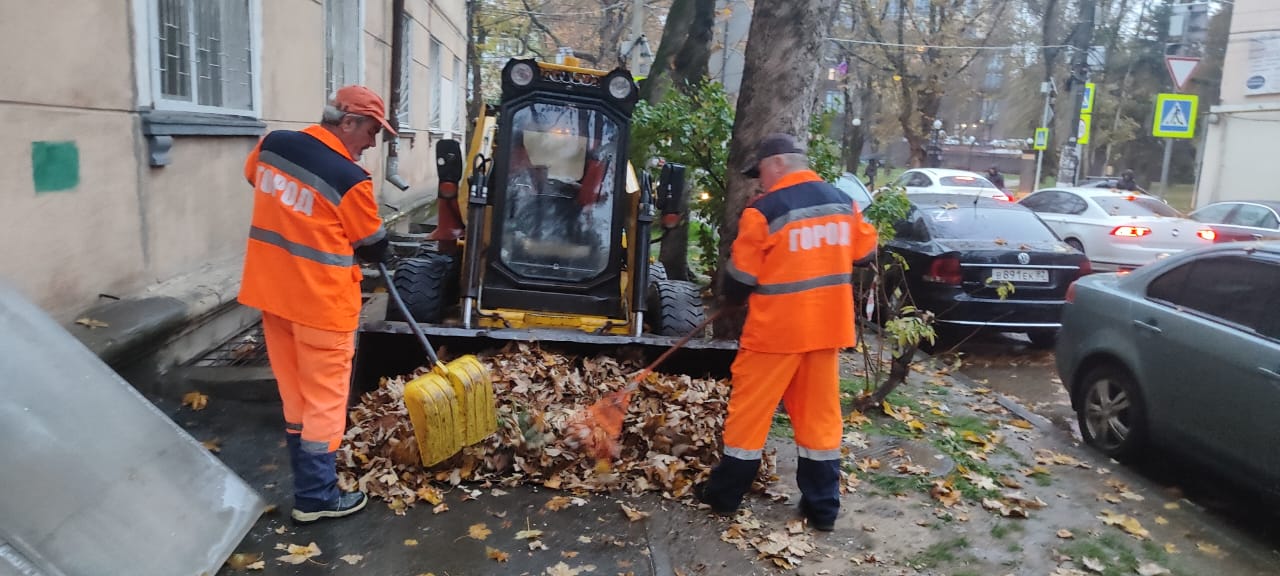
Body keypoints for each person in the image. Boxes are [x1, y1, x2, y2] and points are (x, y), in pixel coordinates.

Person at [696, 133, 878, 531]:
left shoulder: (764, 211)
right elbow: (866, 253)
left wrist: (731, 296)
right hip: (826, 330)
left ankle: (725, 496)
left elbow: (741, 278)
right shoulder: (842, 202)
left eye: (760, 172)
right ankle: (823, 509)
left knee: (749, 416)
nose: (760, 182)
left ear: (777, 163)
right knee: (819, 420)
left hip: (775, 333)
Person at [239, 85, 396, 524]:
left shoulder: (273, 146)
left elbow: (255, 179)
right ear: (347, 122)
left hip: (274, 296)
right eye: (370, 131)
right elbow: (373, 244)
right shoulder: (349, 178)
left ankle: (309, 485)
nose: (372, 143)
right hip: (322, 307)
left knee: (296, 397)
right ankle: (316, 496)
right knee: (325, 402)